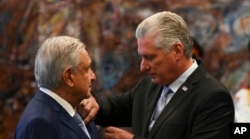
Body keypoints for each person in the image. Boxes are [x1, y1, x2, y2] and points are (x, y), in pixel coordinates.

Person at [79, 11, 235, 139]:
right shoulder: (151, 84)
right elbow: (117, 107)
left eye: (150, 57)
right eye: (141, 57)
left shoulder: (213, 97)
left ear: (177, 51)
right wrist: (95, 103)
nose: (143, 67)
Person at [15, 36, 100, 139]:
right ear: (68, 77)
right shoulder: (40, 124)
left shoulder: (78, 106)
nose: (93, 76)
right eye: (86, 70)